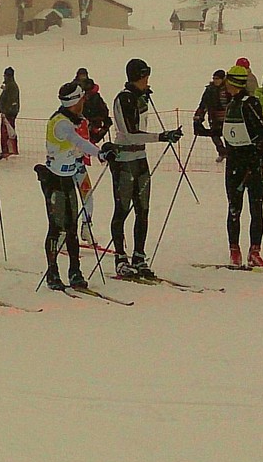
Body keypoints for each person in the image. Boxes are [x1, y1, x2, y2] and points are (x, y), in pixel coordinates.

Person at [106, 59, 183, 278]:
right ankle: (120, 257)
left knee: (143, 209)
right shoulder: (123, 99)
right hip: (124, 159)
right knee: (122, 209)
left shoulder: (140, 99)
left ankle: (139, 256)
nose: (147, 81)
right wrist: (161, 136)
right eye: (145, 77)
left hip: (140, 158)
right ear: (137, 77)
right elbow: (130, 133)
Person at [38, 81, 106, 291]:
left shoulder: (74, 119)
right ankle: (52, 271)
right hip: (53, 180)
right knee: (56, 227)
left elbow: (78, 145)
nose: (84, 102)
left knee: (71, 227)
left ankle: (75, 270)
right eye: (82, 99)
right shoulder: (61, 123)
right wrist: (99, 153)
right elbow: (78, 142)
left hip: (67, 177)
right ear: (75, 101)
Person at [218, 65, 263, 267]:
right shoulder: (231, 103)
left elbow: (262, 131)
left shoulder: (249, 103)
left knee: (255, 207)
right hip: (234, 160)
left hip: (250, 161)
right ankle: (235, 251)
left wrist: (258, 156)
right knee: (234, 207)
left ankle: (254, 251)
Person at [193, 70, 230, 162]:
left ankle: (230, 153)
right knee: (214, 135)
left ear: (223, 79)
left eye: (217, 79)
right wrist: (199, 115)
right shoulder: (210, 90)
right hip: (214, 117)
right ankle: (222, 152)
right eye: (214, 78)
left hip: (227, 118)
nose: (215, 80)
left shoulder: (228, 89)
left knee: (228, 137)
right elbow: (203, 104)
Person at [0, 67, 20, 158]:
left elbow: (11, 100)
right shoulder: (10, 85)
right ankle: (8, 150)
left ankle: (9, 150)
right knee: (8, 131)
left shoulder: (11, 86)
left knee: (7, 132)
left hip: (9, 113)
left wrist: (5, 111)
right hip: (8, 112)